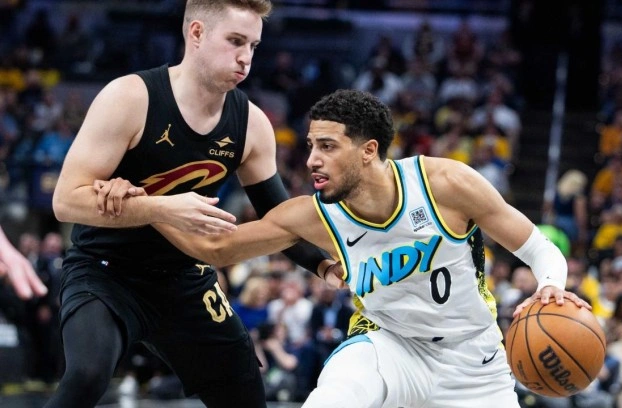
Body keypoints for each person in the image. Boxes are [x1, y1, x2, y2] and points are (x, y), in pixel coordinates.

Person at [104, 89, 590, 407]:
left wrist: (550, 286)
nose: (312, 160)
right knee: (332, 396)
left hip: (473, 362)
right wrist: (146, 204)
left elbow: (540, 248)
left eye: (328, 146)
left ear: (369, 150)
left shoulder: (444, 183)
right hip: (389, 345)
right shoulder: (314, 215)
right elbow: (217, 249)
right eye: (311, 146)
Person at [49, 1, 337, 407]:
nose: (246, 57)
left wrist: (324, 266)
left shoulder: (252, 123)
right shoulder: (130, 97)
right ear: (197, 33)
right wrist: (161, 208)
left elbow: (280, 219)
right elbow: (65, 201)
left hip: (184, 276)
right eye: (235, 41)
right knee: (86, 375)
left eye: (253, 45)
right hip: (105, 269)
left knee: (244, 388)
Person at [0, 226, 48, 299]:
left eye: (29, 243)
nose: (25, 245)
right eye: (23, 242)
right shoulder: (10, 259)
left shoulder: (43, 261)